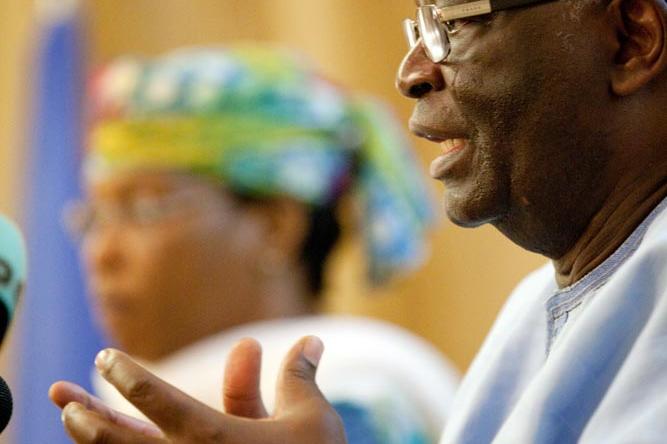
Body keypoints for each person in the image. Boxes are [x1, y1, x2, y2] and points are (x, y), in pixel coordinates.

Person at [50, 0, 667, 442]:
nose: (412, 72)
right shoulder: (532, 312)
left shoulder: (360, 393)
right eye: (419, 25)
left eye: (452, 22)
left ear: (629, 40)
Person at [57, 45, 458, 443]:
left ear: (275, 227)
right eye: (95, 217)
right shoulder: (127, 408)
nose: (102, 253)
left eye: (145, 209)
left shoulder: (350, 406)